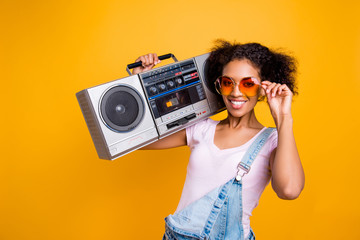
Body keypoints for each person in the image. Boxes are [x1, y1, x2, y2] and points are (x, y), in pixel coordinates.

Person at [133, 40, 305, 240]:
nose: (235, 92)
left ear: (263, 88)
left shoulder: (272, 140)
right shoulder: (201, 128)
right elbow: (139, 141)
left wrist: (283, 118)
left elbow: (289, 190)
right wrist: (139, 81)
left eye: (248, 84)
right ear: (218, 84)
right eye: (227, 83)